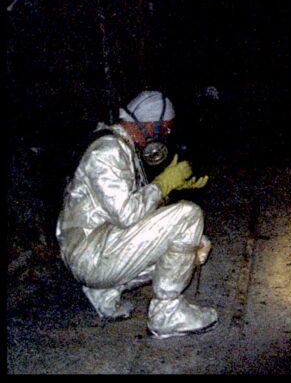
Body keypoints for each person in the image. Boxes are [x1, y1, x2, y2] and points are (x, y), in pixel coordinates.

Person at [55, 90, 216, 339]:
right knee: (189, 216)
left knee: (191, 245)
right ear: (151, 124)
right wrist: (162, 184)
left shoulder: (122, 146)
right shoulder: (107, 152)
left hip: (96, 246)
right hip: (89, 254)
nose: (166, 136)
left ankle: (105, 291)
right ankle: (167, 315)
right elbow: (128, 215)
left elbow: (134, 213)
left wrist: (168, 190)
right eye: (164, 129)